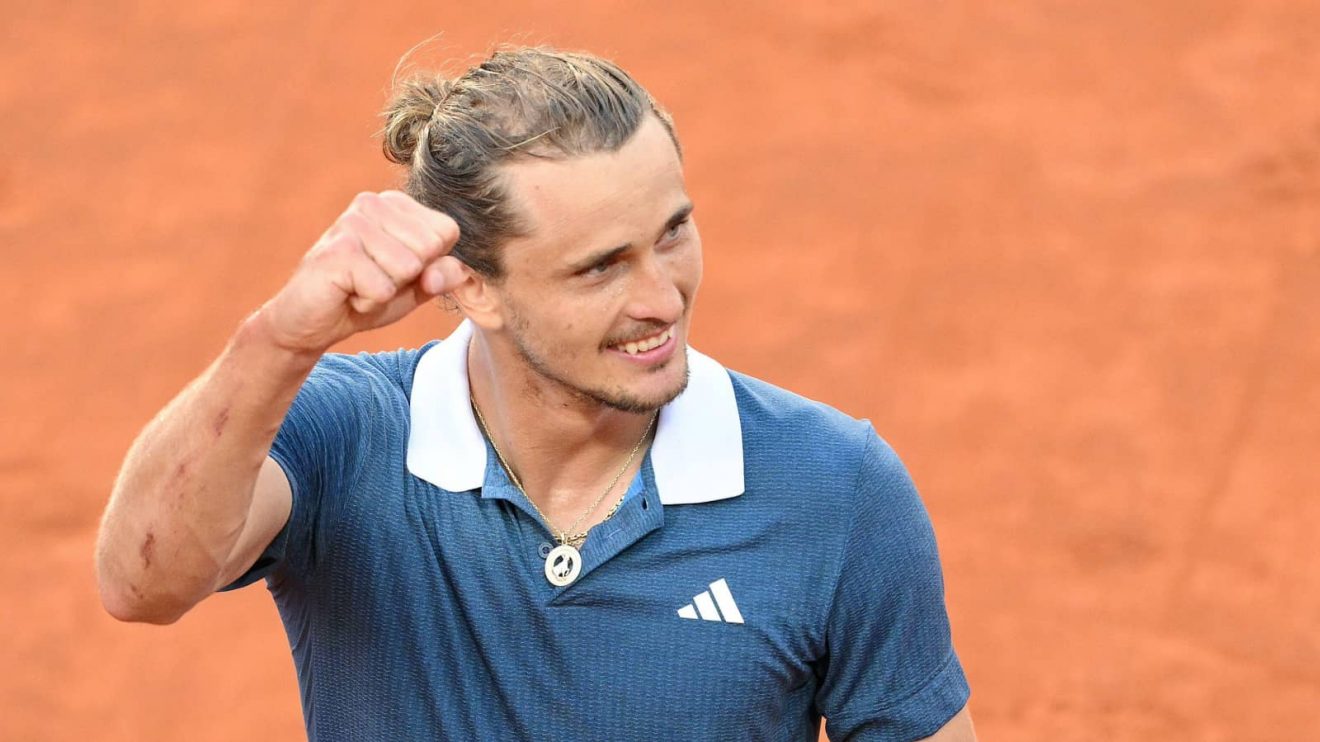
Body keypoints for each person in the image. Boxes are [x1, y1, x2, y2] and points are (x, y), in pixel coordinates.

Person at [95, 46, 976, 741]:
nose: (662, 299)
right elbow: (142, 584)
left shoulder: (836, 487)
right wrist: (283, 340)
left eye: (672, 233)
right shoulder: (346, 433)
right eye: (601, 268)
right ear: (472, 288)